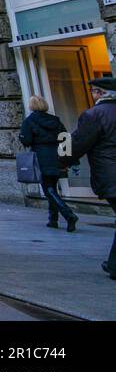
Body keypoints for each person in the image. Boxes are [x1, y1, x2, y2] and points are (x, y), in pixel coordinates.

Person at [64, 76, 116, 279]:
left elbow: (75, 143)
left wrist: (61, 161)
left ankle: (114, 265)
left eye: (94, 91)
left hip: (111, 175)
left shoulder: (94, 115)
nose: (92, 95)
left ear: (101, 93)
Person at [18, 95, 77, 231]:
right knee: (52, 187)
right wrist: (69, 159)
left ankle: (69, 215)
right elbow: (66, 138)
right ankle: (53, 219)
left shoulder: (29, 121)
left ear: (31, 106)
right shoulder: (55, 120)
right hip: (57, 156)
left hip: (41, 157)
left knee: (48, 189)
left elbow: (26, 140)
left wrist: (22, 137)